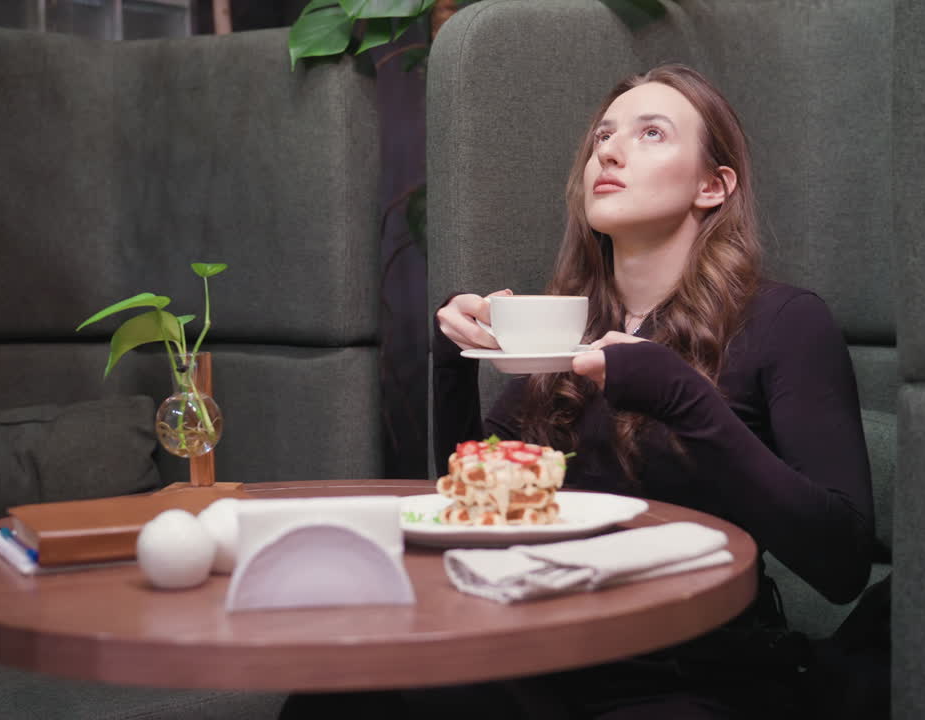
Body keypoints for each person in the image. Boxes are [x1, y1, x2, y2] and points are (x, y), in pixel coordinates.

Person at [282, 64, 875, 719]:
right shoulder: (563, 326)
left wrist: (685, 401)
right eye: (602, 136)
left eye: (652, 133)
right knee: (332, 693)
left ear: (714, 185)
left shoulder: (785, 323)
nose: (609, 151)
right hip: (540, 658)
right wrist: (454, 363)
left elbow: (842, 561)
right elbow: (478, 513)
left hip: (693, 672)